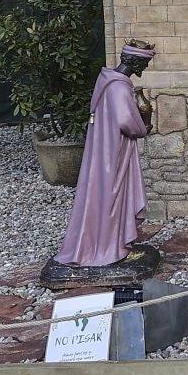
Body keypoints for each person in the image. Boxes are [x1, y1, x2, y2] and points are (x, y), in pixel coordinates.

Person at [56, 42, 155, 268]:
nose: (145, 67)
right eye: (144, 63)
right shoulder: (119, 88)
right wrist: (144, 128)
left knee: (102, 195)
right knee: (113, 196)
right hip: (114, 154)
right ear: (135, 61)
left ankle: (107, 243)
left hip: (104, 150)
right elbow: (128, 123)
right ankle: (111, 249)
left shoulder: (107, 81)